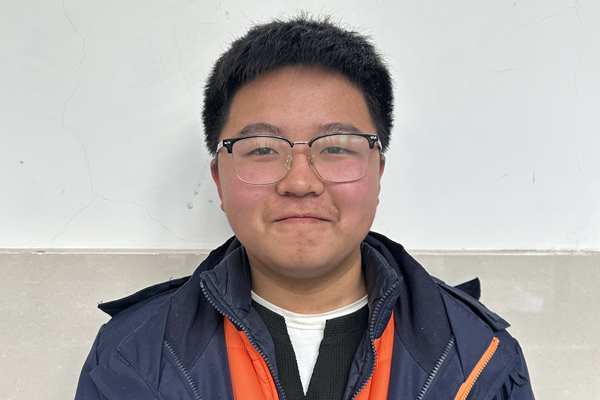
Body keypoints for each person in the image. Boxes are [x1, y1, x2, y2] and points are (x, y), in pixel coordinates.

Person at [75, 15, 535, 400]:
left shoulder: (477, 358)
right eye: (262, 149)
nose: (299, 182)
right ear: (219, 179)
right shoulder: (132, 358)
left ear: (378, 172)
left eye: (335, 147)